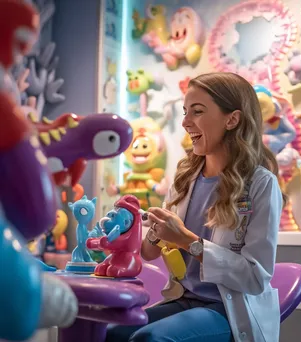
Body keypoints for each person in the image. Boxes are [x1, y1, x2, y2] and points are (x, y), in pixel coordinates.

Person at [106, 72, 284, 342]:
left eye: (197, 112)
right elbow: (149, 252)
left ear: (232, 119)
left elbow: (255, 278)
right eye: (185, 112)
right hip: (183, 299)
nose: (186, 122)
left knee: (150, 339)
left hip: (228, 309)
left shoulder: (261, 184)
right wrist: (145, 231)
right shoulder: (185, 178)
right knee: (112, 333)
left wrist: (188, 241)